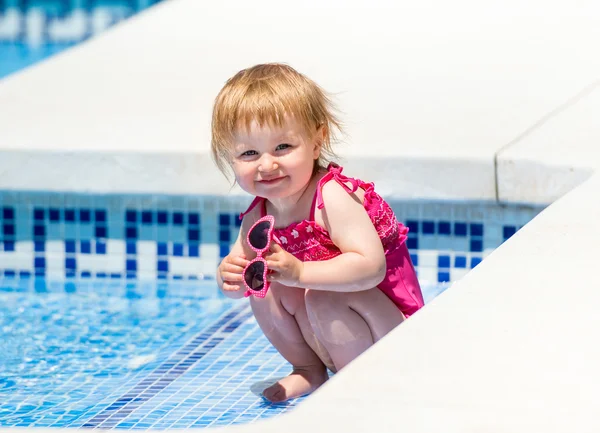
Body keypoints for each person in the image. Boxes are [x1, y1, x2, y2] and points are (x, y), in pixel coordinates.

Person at [212, 63, 424, 403]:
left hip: (395, 332)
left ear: (316, 141)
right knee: (264, 285)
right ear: (230, 157)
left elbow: (371, 268)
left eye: (283, 147)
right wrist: (230, 278)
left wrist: (301, 272)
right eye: (249, 153)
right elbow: (242, 286)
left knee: (321, 293)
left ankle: (360, 384)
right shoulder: (258, 213)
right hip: (336, 329)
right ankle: (308, 369)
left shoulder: (331, 198)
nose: (267, 165)